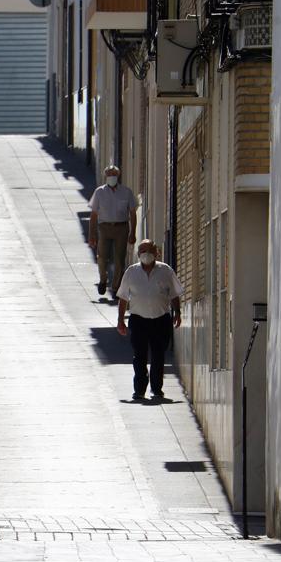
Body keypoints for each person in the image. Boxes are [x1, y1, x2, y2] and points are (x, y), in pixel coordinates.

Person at [116, 241, 183, 400]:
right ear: (138, 254)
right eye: (143, 250)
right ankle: (139, 390)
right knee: (139, 356)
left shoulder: (165, 271)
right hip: (138, 320)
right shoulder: (131, 272)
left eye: (150, 250)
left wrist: (178, 313)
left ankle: (156, 389)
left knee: (159, 355)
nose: (146, 253)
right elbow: (123, 297)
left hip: (161, 320)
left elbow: (174, 294)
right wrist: (120, 320)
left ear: (156, 252)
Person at [88, 165, 138, 297]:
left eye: (114, 174)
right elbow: (93, 215)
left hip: (121, 228)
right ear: (106, 176)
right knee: (102, 257)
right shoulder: (99, 192)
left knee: (119, 259)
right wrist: (92, 235)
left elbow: (132, 213)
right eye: (109, 174)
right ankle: (103, 280)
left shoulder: (126, 192)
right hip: (104, 228)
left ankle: (116, 287)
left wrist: (133, 232)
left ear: (118, 176)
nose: (112, 177)